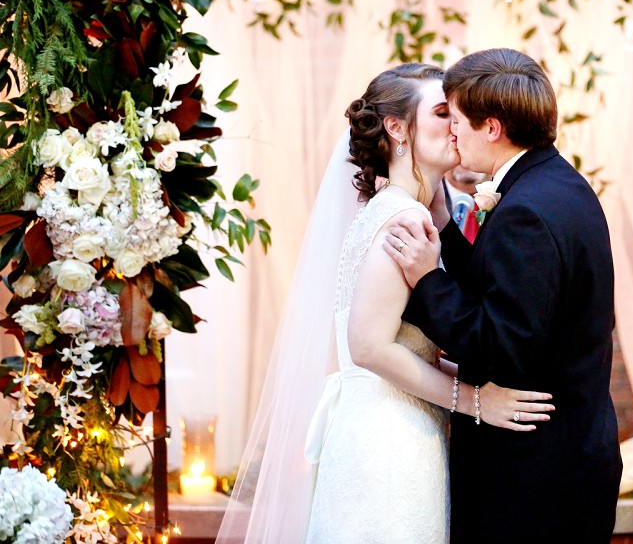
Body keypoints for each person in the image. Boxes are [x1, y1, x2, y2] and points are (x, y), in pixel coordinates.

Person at [216, 63, 554, 544]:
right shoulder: (402, 217)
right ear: (396, 128)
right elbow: (369, 347)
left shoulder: (406, 211)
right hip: (390, 444)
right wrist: (478, 401)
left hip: (392, 427)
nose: (456, 125)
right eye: (442, 112)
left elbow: (405, 341)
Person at [384, 48, 623, 543]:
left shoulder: (526, 211)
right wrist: (447, 233)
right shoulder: (558, 186)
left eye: (458, 120)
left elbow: (501, 343)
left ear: (491, 128)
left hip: (533, 477)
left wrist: (429, 279)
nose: (452, 133)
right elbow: (516, 293)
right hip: (570, 458)